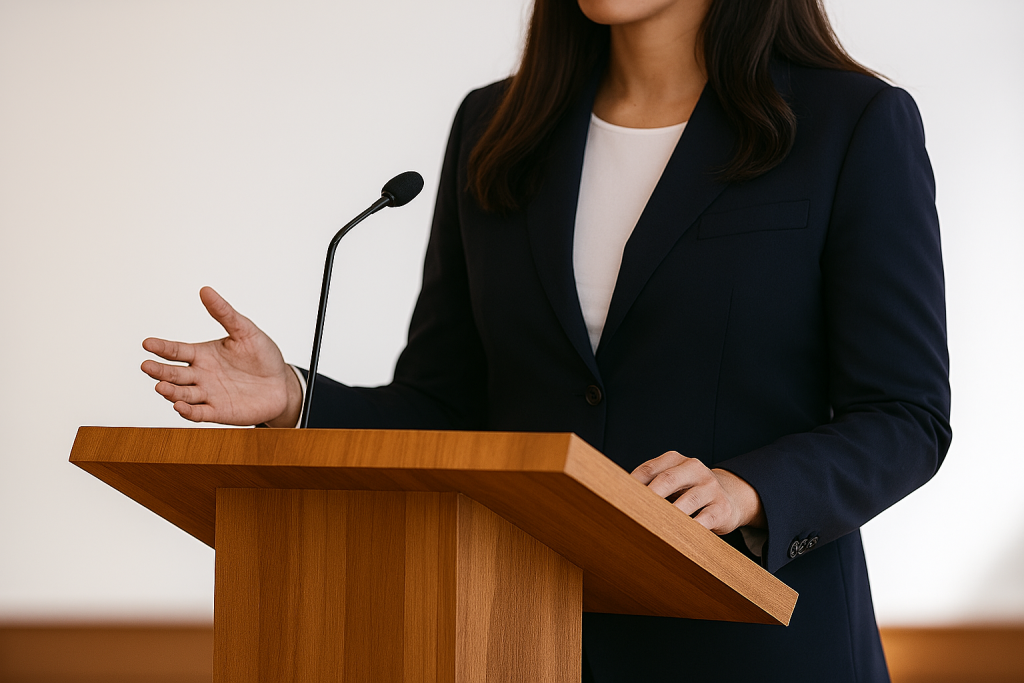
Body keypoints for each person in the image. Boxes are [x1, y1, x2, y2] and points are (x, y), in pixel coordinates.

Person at [141, 0, 951, 679]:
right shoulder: (497, 125)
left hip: (759, 648)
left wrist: (752, 489)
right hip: (521, 644)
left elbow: (905, 415)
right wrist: (298, 398)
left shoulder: (851, 124)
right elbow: (449, 405)